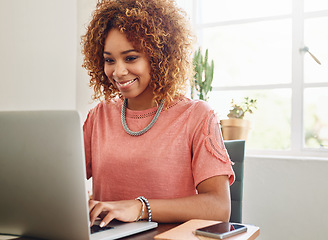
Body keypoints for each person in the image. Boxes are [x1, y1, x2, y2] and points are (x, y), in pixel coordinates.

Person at [81, 0, 235, 228]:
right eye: (109, 60)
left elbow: (219, 207)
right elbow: (59, 182)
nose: (118, 71)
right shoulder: (99, 115)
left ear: (159, 55)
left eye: (131, 58)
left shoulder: (196, 115)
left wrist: (139, 208)